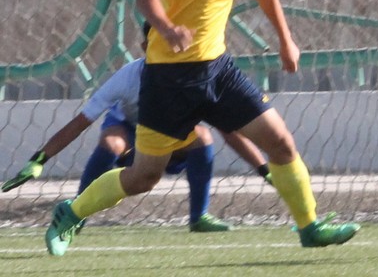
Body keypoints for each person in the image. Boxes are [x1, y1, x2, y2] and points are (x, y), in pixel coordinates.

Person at [43, 0, 360, 256]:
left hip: (219, 72)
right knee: (143, 177)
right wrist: (167, 29)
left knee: (280, 142)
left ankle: (309, 227)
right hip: (169, 82)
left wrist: (286, 41)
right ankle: (71, 213)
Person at [3, 23, 273, 232]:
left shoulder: (194, 77)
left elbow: (228, 130)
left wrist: (264, 170)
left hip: (169, 138)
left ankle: (198, 217)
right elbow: (81, 122)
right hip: (131, 133)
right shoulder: (128, 76)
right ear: (145, 46)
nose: (169, 48)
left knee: (202, 136)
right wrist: (40, 159)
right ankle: (76, 214)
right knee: (112, 142)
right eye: (161, 42)